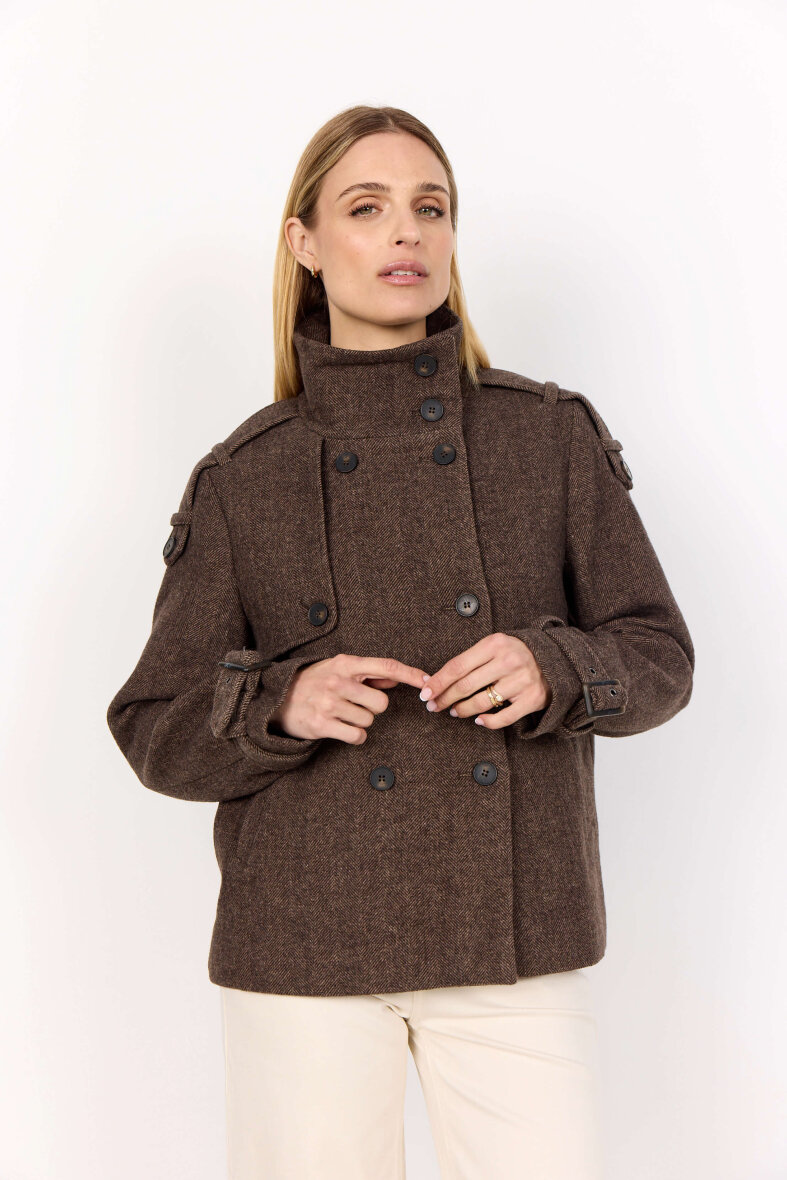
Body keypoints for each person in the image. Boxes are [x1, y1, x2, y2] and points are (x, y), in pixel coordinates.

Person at [107, 104, 695, 1179]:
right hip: (305, 937)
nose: (406, 233)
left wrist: (553, 664)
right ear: (305, 243)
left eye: (430, 207)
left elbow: (659, 655)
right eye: (366, 208)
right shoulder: (245, 476)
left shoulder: (545, 435)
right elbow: (153, 727)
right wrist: (279, 701)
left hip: (515, 935)